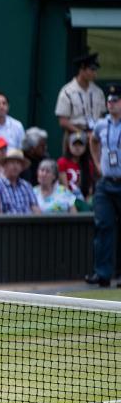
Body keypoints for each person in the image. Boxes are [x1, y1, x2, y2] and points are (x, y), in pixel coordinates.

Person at [86, 87, 121, 286]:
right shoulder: (101, 125)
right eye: (109, 100)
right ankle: (102, 274)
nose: (111, 103)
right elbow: (94, 141)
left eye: (115, 100)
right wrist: (98, 164)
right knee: (103, 226)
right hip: (106, 183)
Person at [55, 53, 105, 137]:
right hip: (75, 134)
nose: (95, 74)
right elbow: (63, 121)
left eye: (95, 70)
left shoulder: (98, 92)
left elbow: (101, 116)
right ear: (82, 70)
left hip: (95, 134)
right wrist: (83, 134)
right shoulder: (67, 92)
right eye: (92, 70)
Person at [0, 148, 40, 214]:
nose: (15, 166)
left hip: (27, 223)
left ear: (22, 168)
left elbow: (35, 208)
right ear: (5, 165)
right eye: (12, 162)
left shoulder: (27, 186)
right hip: (7, 223)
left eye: (18, 163)